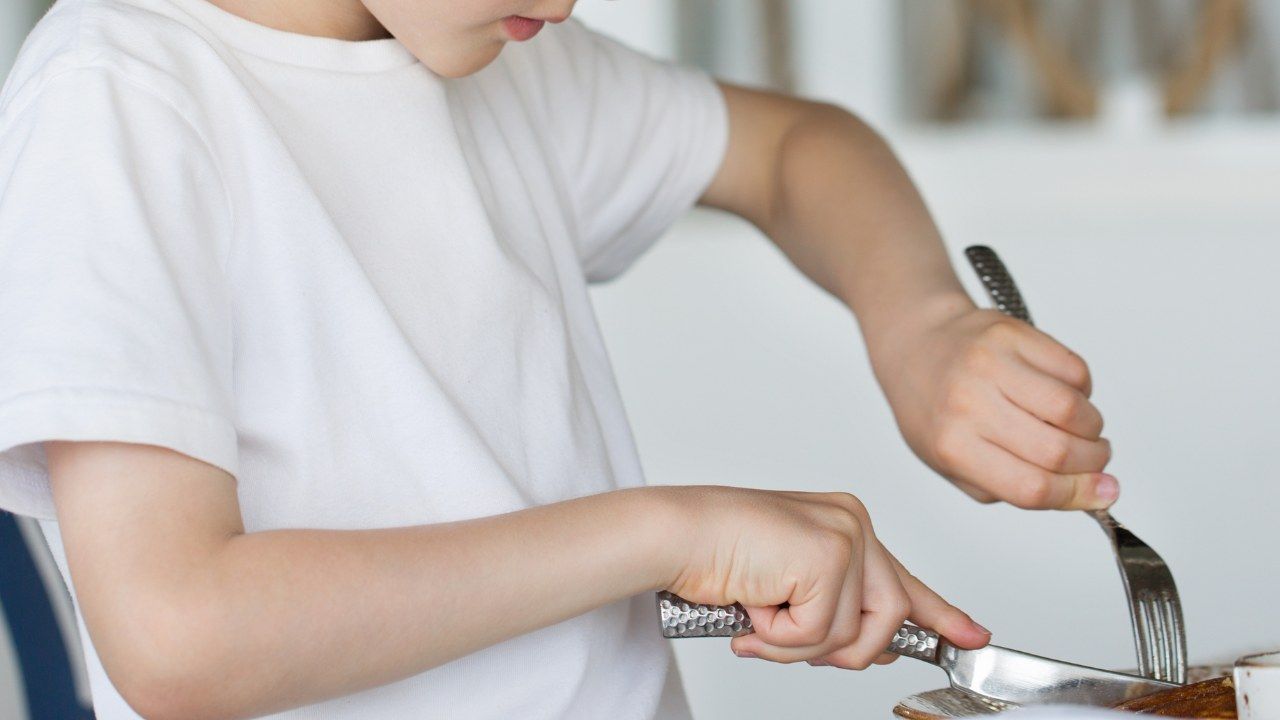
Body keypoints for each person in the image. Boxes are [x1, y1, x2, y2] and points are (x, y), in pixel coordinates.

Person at [0, 0, 1116, 718]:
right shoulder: (120, 99)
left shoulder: (492, 53)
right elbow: (176, 636)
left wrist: (920, 322)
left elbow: (795, 149)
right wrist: (667, 533)